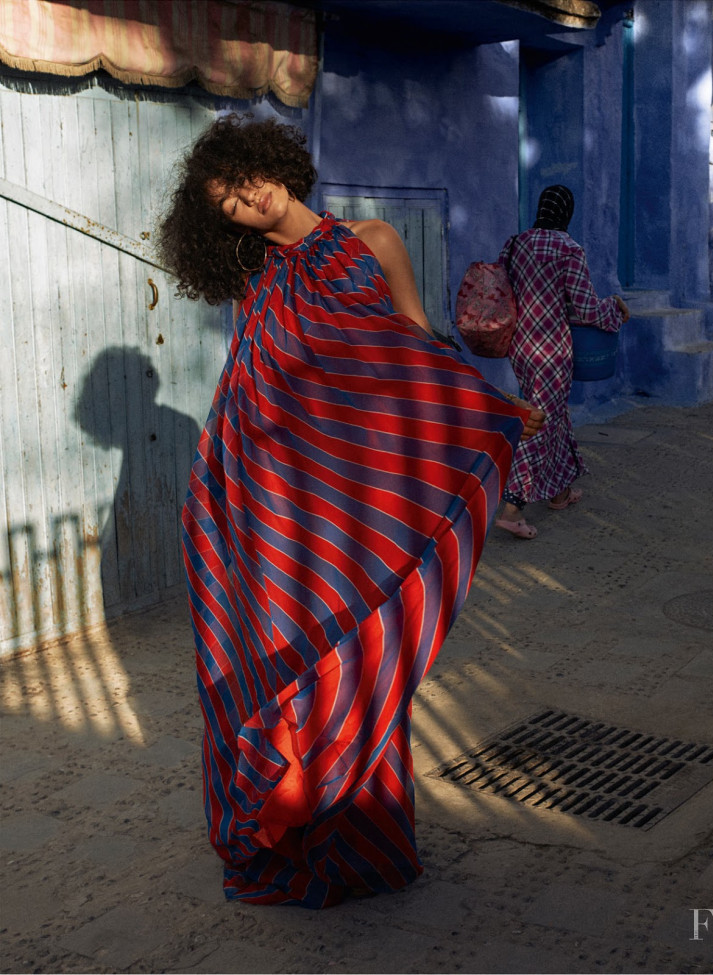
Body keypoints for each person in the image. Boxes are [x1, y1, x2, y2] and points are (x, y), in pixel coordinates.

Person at [157, 114, 543, 908]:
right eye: (226, 201)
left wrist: (485, 407)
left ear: (271, 162)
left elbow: (415, 349)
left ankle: (360, 839)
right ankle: (290, 820)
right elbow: (253, 392)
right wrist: (218, 487)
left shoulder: (373, 243)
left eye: (243, 177)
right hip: (281, 509)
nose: (245, 198)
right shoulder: (257, 282)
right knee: (286, 664)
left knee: (359, 658)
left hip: (354, 507)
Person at [494, 185, 629, 539]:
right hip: (552, 350)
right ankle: (512, 508)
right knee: (540, 422)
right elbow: (584, 308)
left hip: (520, 347)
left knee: (552, 415)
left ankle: (560, 492)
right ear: (566, 212)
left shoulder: (516, 243)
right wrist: (613, 307)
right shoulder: (568, 249)